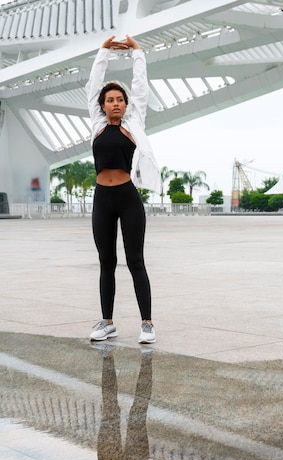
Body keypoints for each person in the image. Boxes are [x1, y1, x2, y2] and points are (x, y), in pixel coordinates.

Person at [86, 35, 160, 344]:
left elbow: (140, 86)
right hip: (102, 199)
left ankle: (147, 324)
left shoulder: (134, 124)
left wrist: (137, 52)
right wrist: (103, 50)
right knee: (106, 262)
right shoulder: (97, 125)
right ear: (102, 106)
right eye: (110, 100)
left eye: (120, 99)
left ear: (126, 105)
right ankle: (107, 322)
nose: (115, 103)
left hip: (128, 199)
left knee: (135, 261)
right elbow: (93, 83)